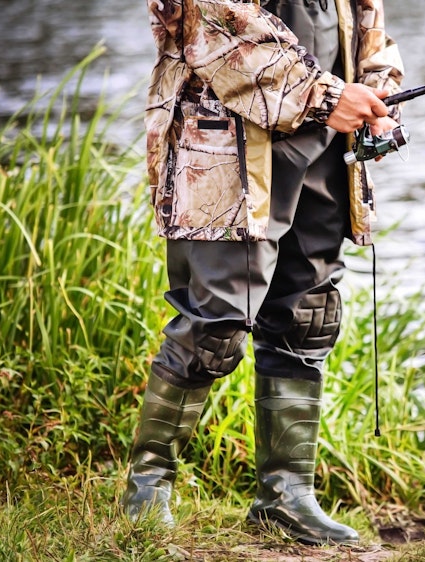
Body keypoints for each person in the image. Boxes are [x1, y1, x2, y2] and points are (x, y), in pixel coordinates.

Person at [120, 0, 404, 546]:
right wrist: (327, 96)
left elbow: (369, 25)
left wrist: (378, 94)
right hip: (225, 146)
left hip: (327, 147)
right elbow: (212, 23)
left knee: (307, 314)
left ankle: (285, 498)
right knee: (214, 326)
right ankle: (146, 494)